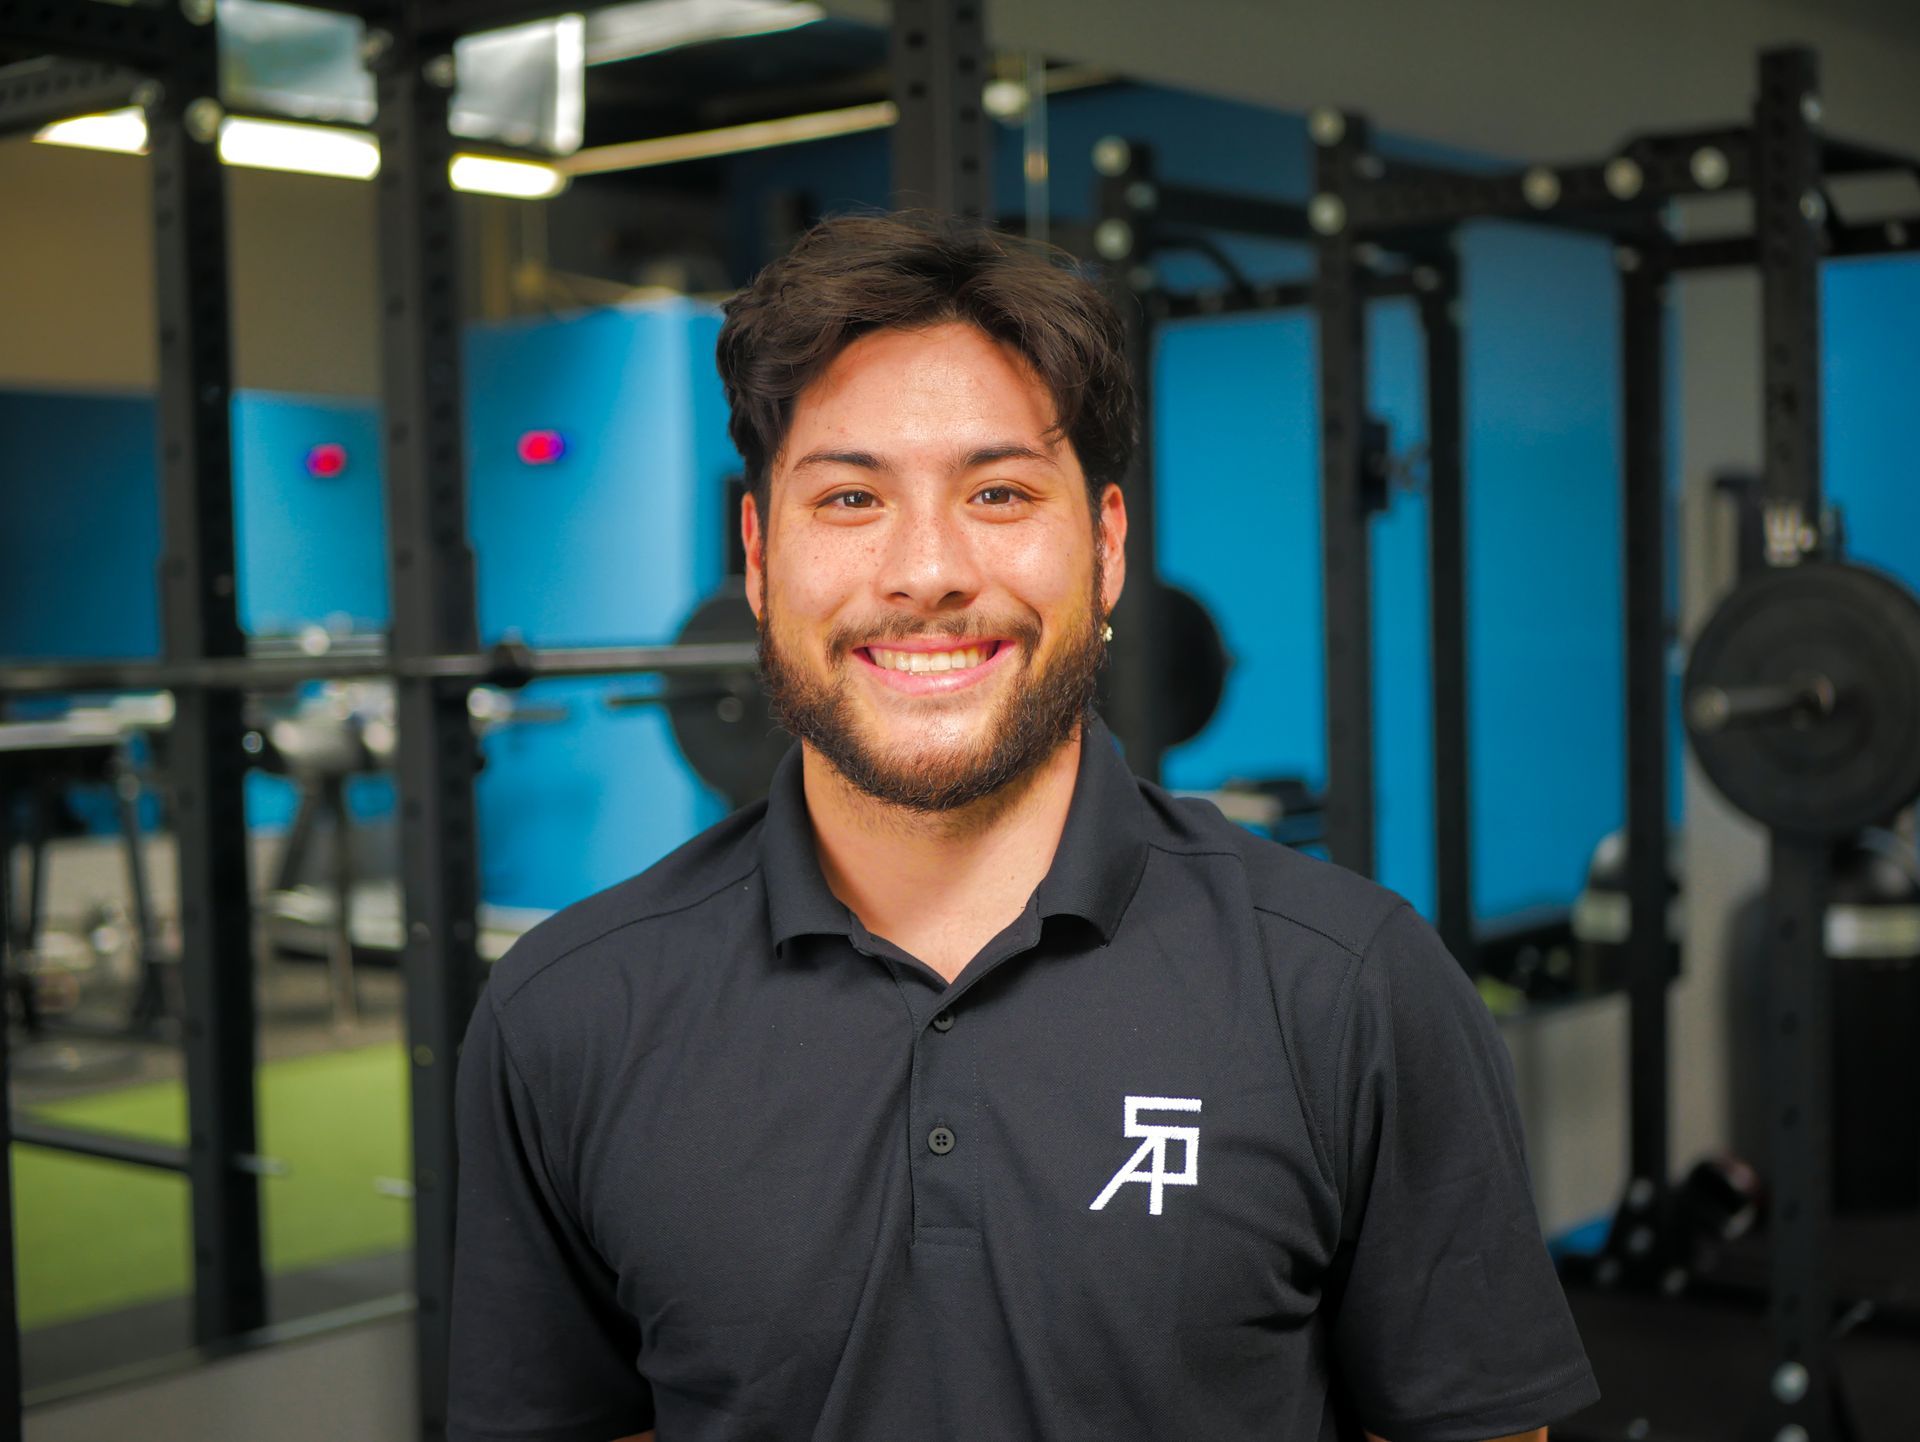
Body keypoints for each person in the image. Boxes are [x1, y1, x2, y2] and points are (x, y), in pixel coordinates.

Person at [447, 213, 1598, 1442]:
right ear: (757, 554)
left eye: (998, 491)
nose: (927, 569)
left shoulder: (1350, 984)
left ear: (1105, 548)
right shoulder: (567, 1014)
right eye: (848, 495)